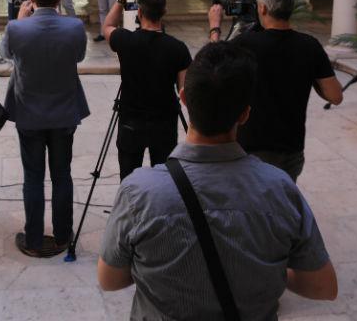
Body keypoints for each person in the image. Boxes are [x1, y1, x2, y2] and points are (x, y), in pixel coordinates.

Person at [98, 42, 337, 320]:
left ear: (184, 98)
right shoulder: (279, 189)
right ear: (245, 113)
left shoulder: (139, 192)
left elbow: (109, 280)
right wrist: (269, 269)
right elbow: (324, 287)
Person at [208, 0, 342, 182]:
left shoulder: (244, 44)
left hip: (252, 149)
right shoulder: (310, 46)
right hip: (291, 150)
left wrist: (215, 27)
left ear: (262, 8)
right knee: (282, 198)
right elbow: (335, 96)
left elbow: (211, 66)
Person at [0, 0, 89, 257]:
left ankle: (35, 239)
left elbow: (5, 54)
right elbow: (79, 57)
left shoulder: (17, 27)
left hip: (29, 112)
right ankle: (63, 235)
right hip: (64, 112)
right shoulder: (74, 26)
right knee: (62, 175)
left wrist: (20, 18)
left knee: (33, 177)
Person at [103, 0, 191, 179]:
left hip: (131, 121)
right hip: (164, 123)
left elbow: (107, 26)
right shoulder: (178, 48)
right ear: (164, 12)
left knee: (128, 178)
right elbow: (184, 90)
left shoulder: (125, 40)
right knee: (164, 179)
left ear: (139, 12)